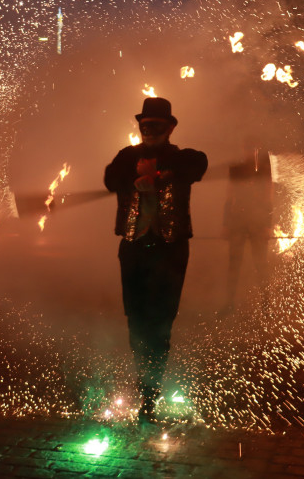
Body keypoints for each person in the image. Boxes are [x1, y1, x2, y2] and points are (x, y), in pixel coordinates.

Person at [104, 97, 207, 425]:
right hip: (134, 249)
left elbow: (197, 166)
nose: (148, 131)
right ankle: (144, 388)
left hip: (170, 250)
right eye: (144, 126)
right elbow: (110, 179)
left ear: (171, 127)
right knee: (137, 321)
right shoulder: (126, 158)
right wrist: (135, 177)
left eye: (156, 126)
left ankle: (150, 396)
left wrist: (160, 175)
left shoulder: (183, 157)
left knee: (161, 322)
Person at [220, 136, 273, 315]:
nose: (250, 151)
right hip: (238, 220)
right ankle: (229, 303)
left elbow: (268, 197)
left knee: (261, 264)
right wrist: (226, 223)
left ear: (257, 149)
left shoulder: (265, 170)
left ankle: (266, 302)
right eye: (247, 148)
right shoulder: (236, 170)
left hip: (257, 222)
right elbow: (229, 196)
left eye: (253, 148)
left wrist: (267, 224)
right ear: (243, 149)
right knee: (234, 263)